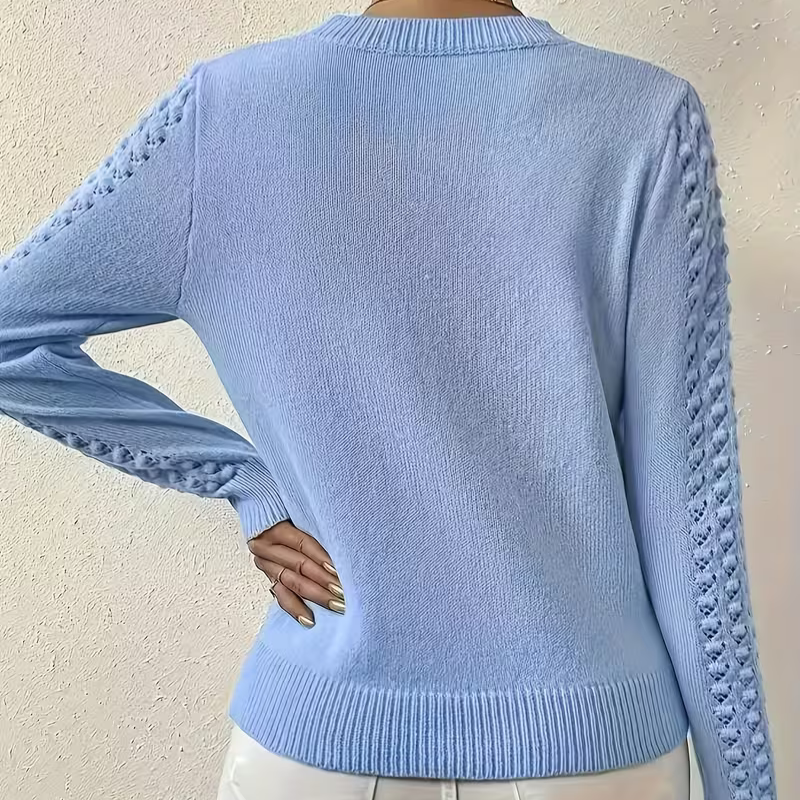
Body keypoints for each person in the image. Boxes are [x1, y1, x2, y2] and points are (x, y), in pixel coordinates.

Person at [0, 0, 777, 797]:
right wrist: (742, 784)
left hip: (317, 743)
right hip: (593, 744)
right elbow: (690, 516)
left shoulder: (225, 112)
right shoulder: (644, 117)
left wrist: (240, 478)